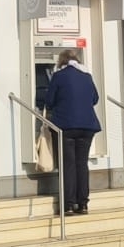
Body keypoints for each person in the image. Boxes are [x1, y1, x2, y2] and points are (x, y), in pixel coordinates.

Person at [42, 47, 100, 215]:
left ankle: (68, 205)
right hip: (87, 126)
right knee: (82, 164)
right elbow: (95, 99)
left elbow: (49, 101)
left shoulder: (58, 76)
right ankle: (83, 204)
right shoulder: (87, 76)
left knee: (68, 165)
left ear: (61, 61)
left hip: (66, 126)